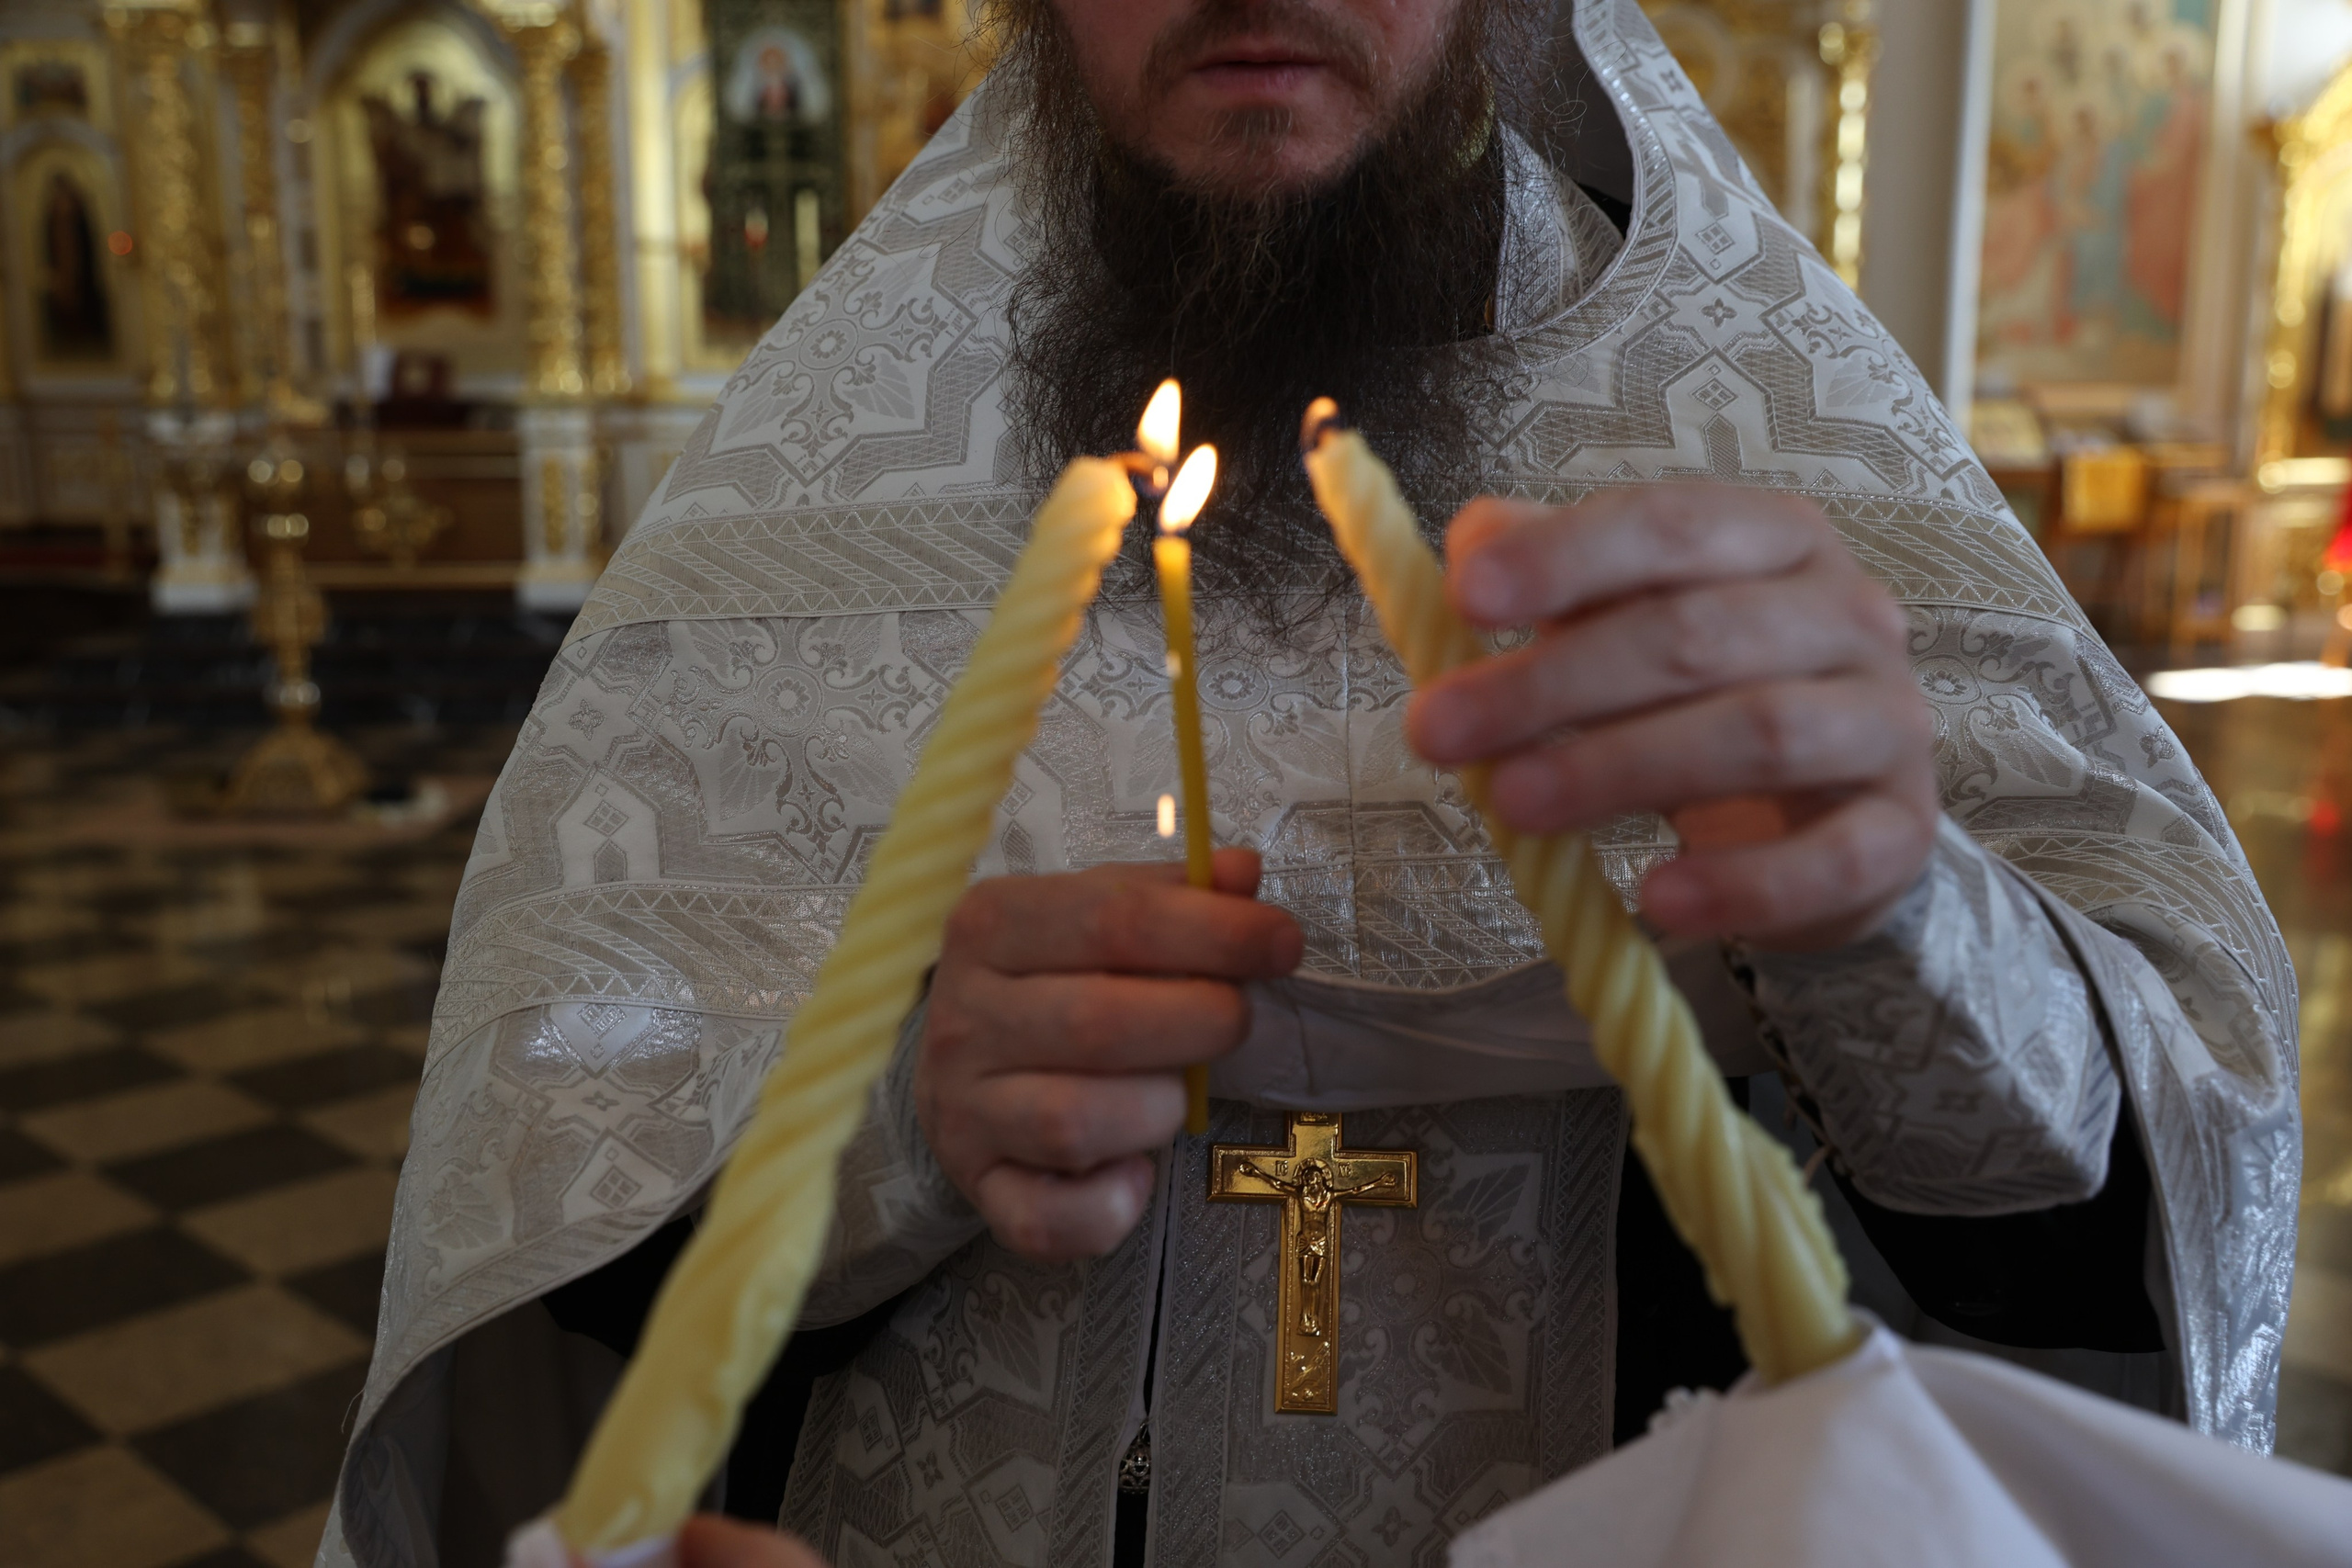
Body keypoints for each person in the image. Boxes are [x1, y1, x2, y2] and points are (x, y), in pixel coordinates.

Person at [317, 3, 2298, 1565]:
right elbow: (549, 1213)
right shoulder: (824, 484)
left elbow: (2111, 1214)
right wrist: (904, 1123)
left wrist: (1893, 921)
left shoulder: (1770, 458)